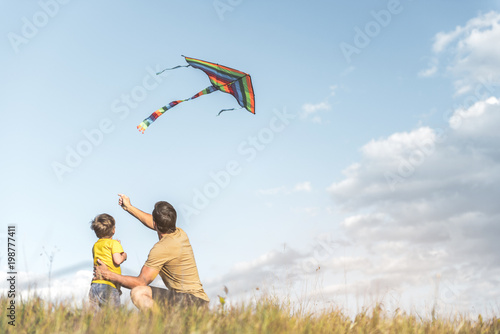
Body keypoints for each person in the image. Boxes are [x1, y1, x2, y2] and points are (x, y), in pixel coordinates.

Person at [94, 194, 209, 311]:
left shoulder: (161, 249)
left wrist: (109, 275)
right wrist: (129, 207)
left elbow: (140, 282)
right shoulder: (180, 234)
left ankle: (160, 327)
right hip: (198, 300)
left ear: (155, 224)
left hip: (191, 303)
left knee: (139, 292)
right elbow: (153, 221)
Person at [89, 213, 127, 310]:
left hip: (95, 285)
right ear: (113, 230)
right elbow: (117, 260)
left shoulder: (95, 245)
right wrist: (124, 255)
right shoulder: (114, 243)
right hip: (109, 285)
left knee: (95, 318)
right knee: (113, 317)